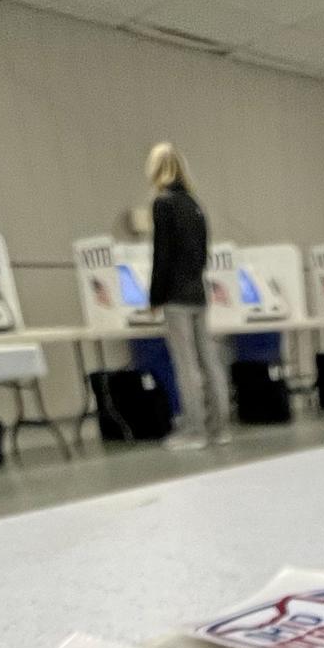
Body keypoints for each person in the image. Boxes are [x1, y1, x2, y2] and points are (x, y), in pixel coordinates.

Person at [145, 142, 230, 451]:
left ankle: (194, 431)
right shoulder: (195, 204)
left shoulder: (163, 203)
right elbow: (203, 252)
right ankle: (219, 428)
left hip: (176, 297)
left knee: (186, 365)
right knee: (210, 362)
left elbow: (162, 255)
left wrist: (154, 297)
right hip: (198, 292)